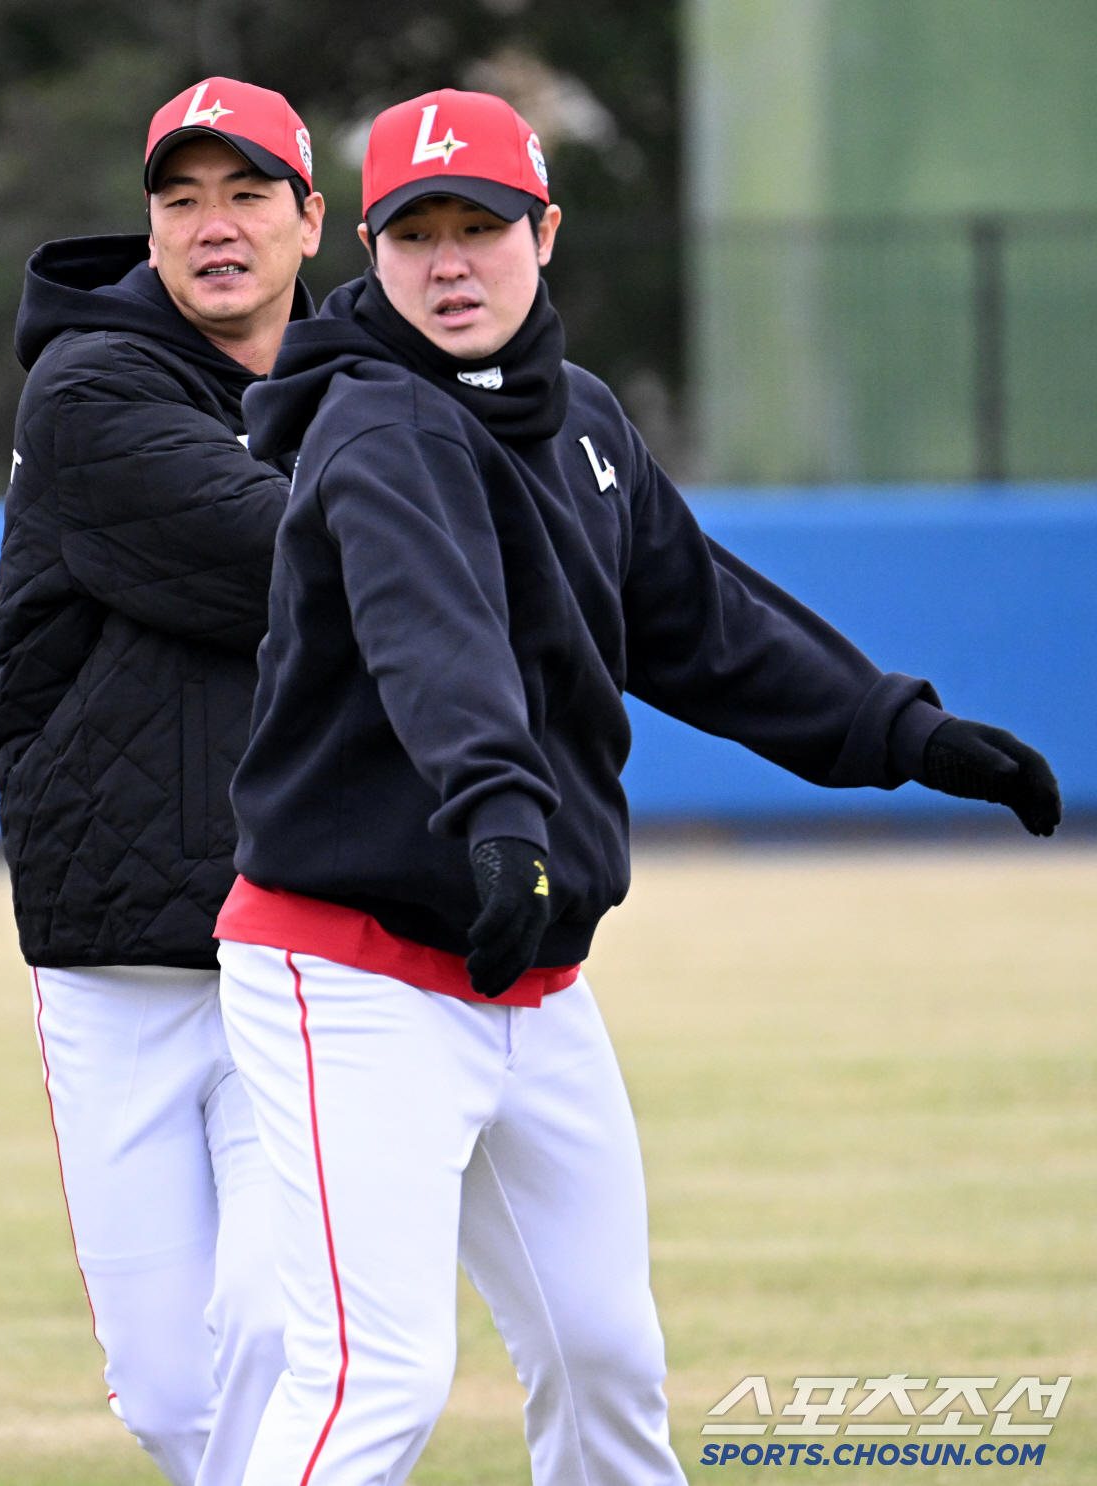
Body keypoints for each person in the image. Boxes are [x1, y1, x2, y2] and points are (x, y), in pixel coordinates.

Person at [213, 88, 1062, 1486]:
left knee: (608, 1364)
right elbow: (439, 639)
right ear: (371, 254)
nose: (448, 261)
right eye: (412, 233)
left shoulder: (584, 423)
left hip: (527, 977)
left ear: (543, 235)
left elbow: (703, 621)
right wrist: (499, 812)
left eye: (478, 226)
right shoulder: (376, 427)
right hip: (350, 976)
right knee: (381, 1379)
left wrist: (901, 732)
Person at [0, 77, 324, 1486]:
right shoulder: (90, 385)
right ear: (148, 229)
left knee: (276, 1330)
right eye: (179, 198)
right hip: (114, 954)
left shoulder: (374, 389)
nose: (213, 225)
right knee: (173, 1397)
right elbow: (277, 547)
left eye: (247, 192)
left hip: (299, 937)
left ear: (313, 219)